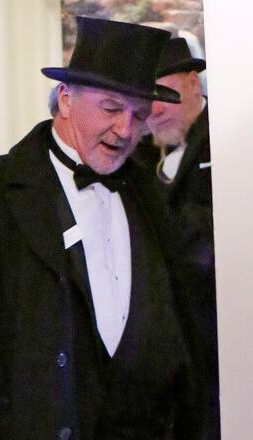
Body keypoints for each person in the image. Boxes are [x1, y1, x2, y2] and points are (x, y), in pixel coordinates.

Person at [0, 17, 204, 439]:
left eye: (138, 116)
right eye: (111, 108)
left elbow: (182, 342)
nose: (125, 130)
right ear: (65, 99)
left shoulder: (153, 201)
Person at [133, 37, 219, 439]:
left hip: (218, 350)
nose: (156, 108)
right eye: (147, 97)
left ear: (193, 84)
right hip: (163, 366)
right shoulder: (135, 160)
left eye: (166, 92)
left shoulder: (227, 142)